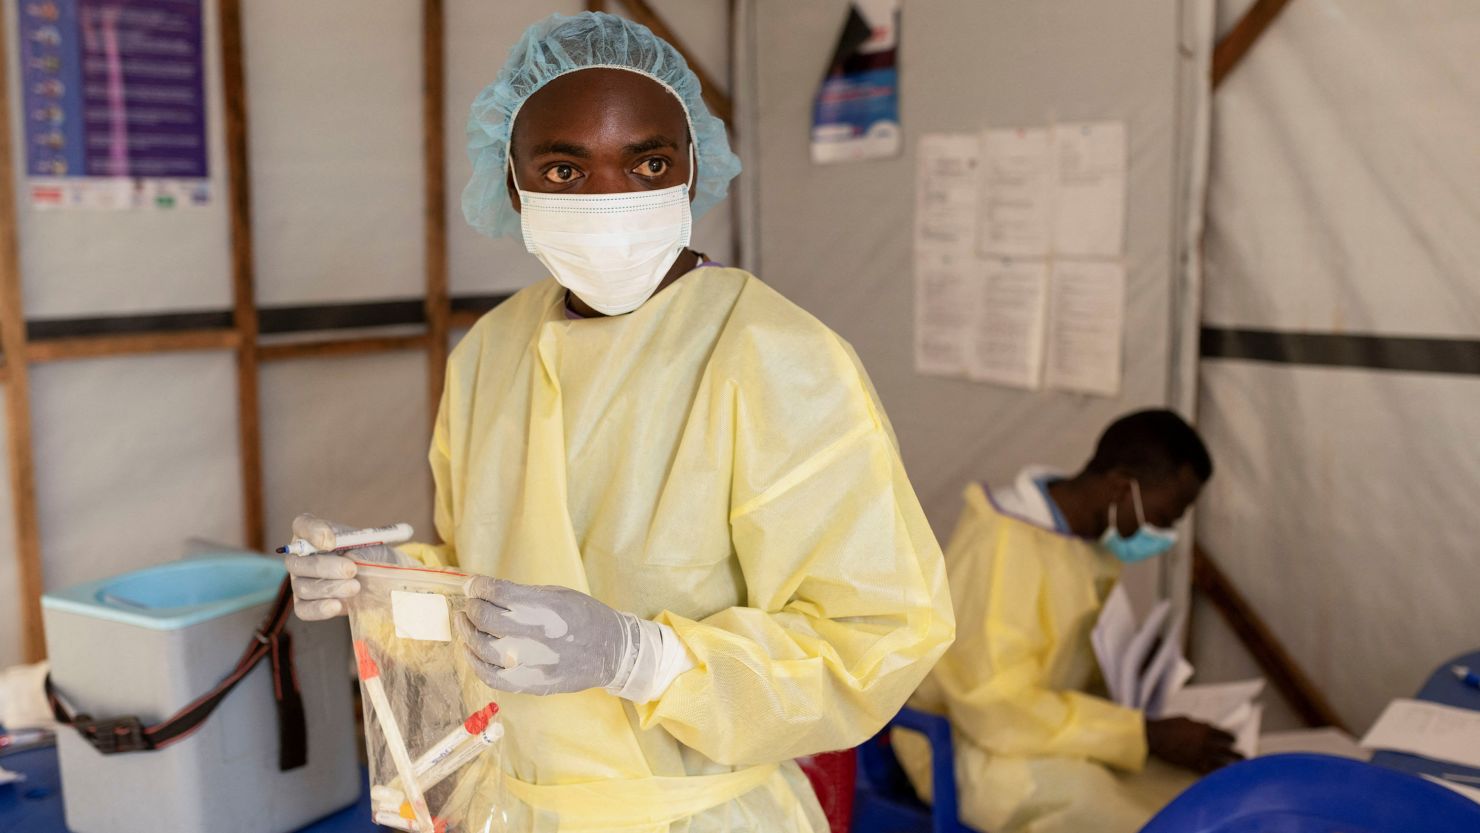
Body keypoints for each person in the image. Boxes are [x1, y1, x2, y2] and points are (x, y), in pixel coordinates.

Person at [284, 12, 953, 833]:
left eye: (648, 163)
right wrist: (389, 584)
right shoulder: (491, 353)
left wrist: (645, 658)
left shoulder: (774, 356)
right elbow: (483, 588)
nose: (611, 200)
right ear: (512, 180)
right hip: (516, 807)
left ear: (693, 166)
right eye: (565, 170)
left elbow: (875, 635)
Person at [895, 409, 1233, 833]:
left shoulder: (1082, 541)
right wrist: (1141, 733)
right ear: (1121, 486)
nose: (1165, 535)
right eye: (1164, 519)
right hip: (968, 742)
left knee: (1196, 792)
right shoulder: (1003, 546)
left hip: (1047, 729)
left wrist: (1133, 694)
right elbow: (996, 705)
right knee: (1105, 807)